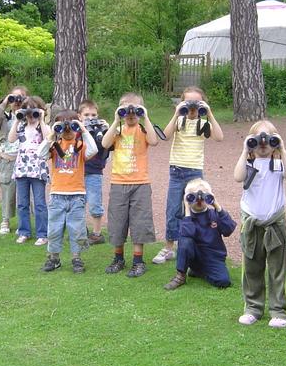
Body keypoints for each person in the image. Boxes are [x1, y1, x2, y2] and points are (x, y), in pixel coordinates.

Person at [234, 120, 286, 328]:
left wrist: (282, 149)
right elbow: (237, 177)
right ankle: (253, 308)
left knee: (277, 270)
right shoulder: (248, 164)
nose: (263, 143)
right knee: (252, 268)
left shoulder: (278, 164)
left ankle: (279, 310)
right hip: (252, 224)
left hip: (274, 224)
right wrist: (246, 150)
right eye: (257, 138)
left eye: (269, 139)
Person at [155, 86, 224, 265]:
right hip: (176, 170)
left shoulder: (204, 124)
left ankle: (193, 244)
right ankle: (169, 247)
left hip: (195, 172)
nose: (192, 107)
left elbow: (219, 137)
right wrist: (177, 113)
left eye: (197, 103)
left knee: (197, 208)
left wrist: (209, 113)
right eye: (188, 102)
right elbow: (165, 136)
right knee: (173, 210)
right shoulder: (179, 121)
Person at [101, 92, 159, 277]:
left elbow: (154, 141)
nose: (131, 113)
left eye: (135, 109)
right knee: (117, 221)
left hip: (140, 183)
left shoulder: (143, 129)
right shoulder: (117, 130)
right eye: (126, 109)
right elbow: (105, 143)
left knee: (139, 221)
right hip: (119, 183)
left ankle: (138, 261)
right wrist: (116, 120)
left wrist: (145, 117)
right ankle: (118, 258)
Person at [37, 110, 98, 272]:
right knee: (54, 229)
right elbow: (40, 154)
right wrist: (51, 135)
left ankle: (76, 258)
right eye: (64, 126)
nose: (68, 129)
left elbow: (94, 150)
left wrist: (83, 130)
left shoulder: (81, 145)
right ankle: (54, 258)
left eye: (72, 125)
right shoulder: (54, 146)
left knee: (77, 229)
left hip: (77, 195)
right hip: (57, 195)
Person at [163, 179, 236, 290]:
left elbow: (228, 230)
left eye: (204, 196)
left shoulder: (214, 214)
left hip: (213, 257)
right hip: (194, 256)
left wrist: (216, 205)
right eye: (193, 196)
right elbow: (187, 234)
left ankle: (199, 271)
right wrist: (187, 208)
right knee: (185, 240)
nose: (199, 199)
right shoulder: (185, 218)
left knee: (223, 281)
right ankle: (180, 276)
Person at [8, 95, 50, 245]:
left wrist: (41, 120)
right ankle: (24, 231)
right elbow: (11, 139)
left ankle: (42, 233)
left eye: (33, 112)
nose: (30, 116)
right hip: (22, 168)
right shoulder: (21, 126)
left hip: (37, 169)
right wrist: (17, 119)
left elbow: (48, 138)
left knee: (39, 203)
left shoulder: (42, 127)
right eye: (27, 112)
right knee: (22, 203)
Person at [0, 86, 28, 235]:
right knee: (7, 191)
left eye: (20, 97)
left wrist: (27, 106)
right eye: (13, 98)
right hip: (8, 159)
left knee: (24, 193)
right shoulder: (4, 119)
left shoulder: (30, 117)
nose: (17, 101)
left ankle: (23, 222)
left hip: (25, 160)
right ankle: (5, 219)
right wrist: (4, 102)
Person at [78, 99, 111, 244]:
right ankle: (81, 230)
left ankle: (97, 233)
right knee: (78, 203)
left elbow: (106, 148)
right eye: (86, 115)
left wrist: (106, 129)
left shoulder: (100, 130)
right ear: (79, 116)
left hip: (94, 172)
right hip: (78, 172)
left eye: (93, 115)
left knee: (95, 203)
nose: (90, 118)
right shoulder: (76, 130)